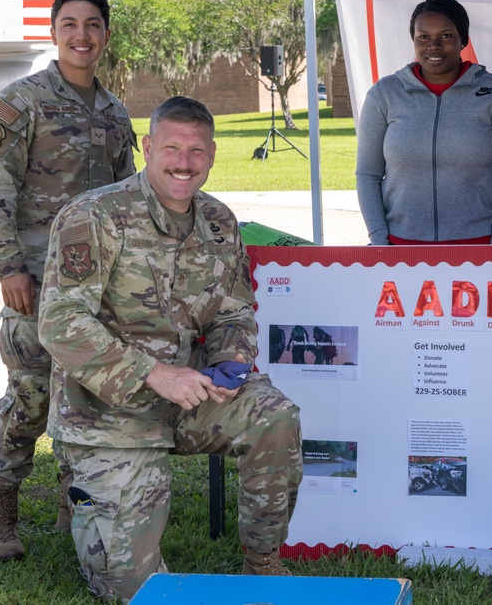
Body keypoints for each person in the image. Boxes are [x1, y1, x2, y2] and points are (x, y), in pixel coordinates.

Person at [38, 97, 303, 602]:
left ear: (212, 154)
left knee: (274, 415)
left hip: (192, 397)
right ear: (147, 147)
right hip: (108, 416)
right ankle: (82, 486)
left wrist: (231, 359)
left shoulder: (219, 222)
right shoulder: (94, 216)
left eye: (197, 150)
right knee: (136, 590)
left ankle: (263, 563)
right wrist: (156, 374)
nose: (185, 162)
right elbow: (60, 322)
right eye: (173, 148)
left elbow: (233, 309)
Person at [0, 0, 136, 561]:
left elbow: (127, 201)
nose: (82, 36)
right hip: (35, 286)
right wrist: (8, 267)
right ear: (54, 31)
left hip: (97, 292)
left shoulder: (115, 114)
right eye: (70, 24)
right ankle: (3, 514)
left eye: (93, 25)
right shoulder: (23, 101)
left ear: (106, 35)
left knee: (88, 399)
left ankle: (76, 504)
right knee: (30, 398)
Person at [356, 0, 492, 245]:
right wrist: (380, 240)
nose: (433, 46)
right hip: (399, 246)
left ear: (463, 40)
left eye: (446, 36)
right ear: (413, 40)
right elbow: (367, 174)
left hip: (476, 247)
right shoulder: (385, 94)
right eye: (423, 37)